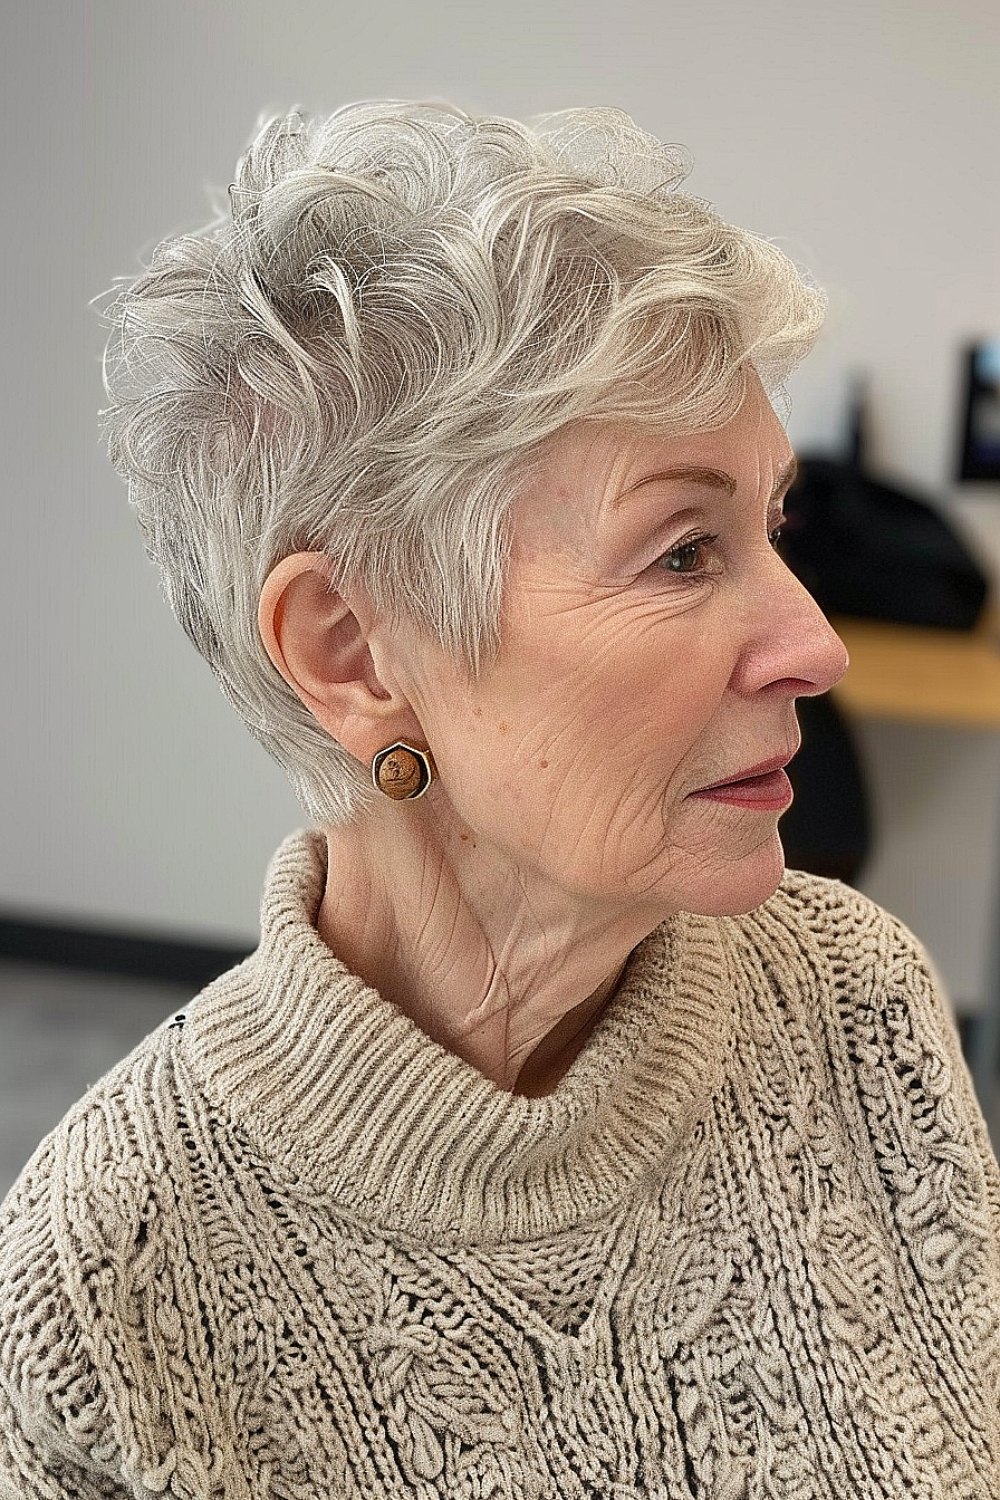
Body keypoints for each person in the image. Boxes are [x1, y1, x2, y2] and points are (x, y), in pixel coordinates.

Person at [2, 101, 999, 1499]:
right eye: (681, 551)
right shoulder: (108, 1277)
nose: (817, 644)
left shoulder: (859, 1009)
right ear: (354, 654)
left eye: (771, 527)